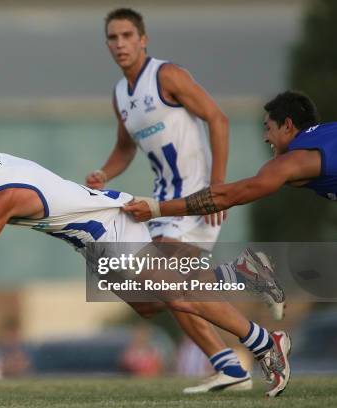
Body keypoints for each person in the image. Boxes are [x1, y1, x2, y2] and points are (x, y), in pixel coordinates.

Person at [0, 125, 291, 397]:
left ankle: (261, 338)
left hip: (113, 227)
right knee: (148, 306)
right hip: (95, 241)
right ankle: (244, 286)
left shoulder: (3, 194)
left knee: (180, 295)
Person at [84, 8, 258, 393]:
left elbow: (219, 119)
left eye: (127, 35)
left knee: (164, 278)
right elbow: (124, 148)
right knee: (152, 298)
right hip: (162, 204)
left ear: (143, 39)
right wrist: (104, 173)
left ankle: (242, 287)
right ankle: (229, 366)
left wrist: (217, 188)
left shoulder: (167, 76)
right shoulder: (120, 95)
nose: (120, 44)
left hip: (195, 200)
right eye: (113, 38)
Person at [125, 91, 329, 223]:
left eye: (268, 128)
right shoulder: (326, 135)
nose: (266, 138)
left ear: (287, 125)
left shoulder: (292, 161)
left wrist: (155, 209)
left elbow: (228, 196)